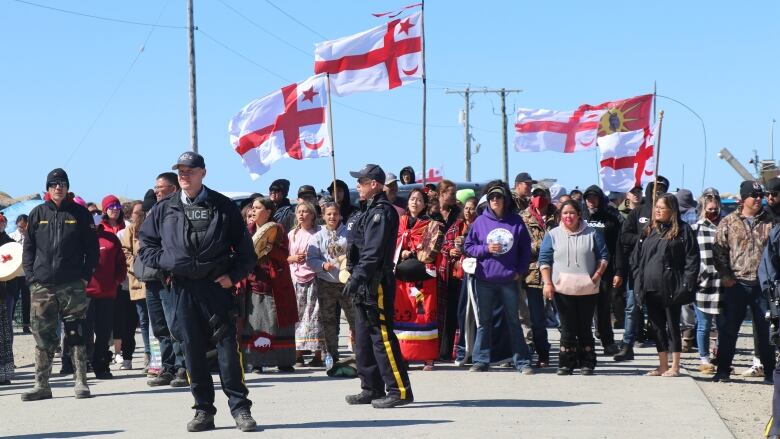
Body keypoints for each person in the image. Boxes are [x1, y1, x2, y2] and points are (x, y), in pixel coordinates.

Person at [139, 152, 257, 432]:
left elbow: (246, 252)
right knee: (191, 350)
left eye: (189, 170)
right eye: (180, 170)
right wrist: (169, 263)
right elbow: (146, 247)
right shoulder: (163, 208)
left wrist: (233, 276)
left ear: (202, 172)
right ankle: (204, 410)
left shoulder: (223, 206)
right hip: (181, 289)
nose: (183, 175)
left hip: (216, 287)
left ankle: (241, 409)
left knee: (227, 349)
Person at [22, 168, 99, 401]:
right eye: (54, 184)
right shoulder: (37, 214)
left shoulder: (80, 214)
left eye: (62, 183)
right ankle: (42, 385)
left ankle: (81, 382)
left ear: (67, 188)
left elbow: (92, 251)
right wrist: (31, 280)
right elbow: (28, 250)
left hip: (72, 285)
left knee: (76, 333)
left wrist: (84, 277)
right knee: (42, 337)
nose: (58, 187)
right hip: (42, 286)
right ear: (48, 188)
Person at [344, 163, 413, 408]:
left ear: (374, 184)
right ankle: (371, 387)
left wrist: (357, 278)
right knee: (363, 338)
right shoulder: (367, 210)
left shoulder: (381, 212)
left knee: (381, 337)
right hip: (364, 282)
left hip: (375, 282)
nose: (357, 186)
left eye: (361, 182)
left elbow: (372, 253)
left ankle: (399, 390)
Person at [464, 181, 534, 374]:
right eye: (491, 197)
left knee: (513, 321)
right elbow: (468, 247)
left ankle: (522, 362)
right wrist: (486, 249)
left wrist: (519, 271)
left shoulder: (516, 221)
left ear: (505, 200)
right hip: (485, 279)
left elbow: (525, 250)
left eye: (499, 197)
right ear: (487, 201)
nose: (495, 200)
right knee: (484, 322)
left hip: (509, 280)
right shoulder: (479, 222)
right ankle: (480, 360)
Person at [712, 180, 775, 383]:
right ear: (743, 198)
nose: (758, 199)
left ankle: (770, 372)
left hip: (762, 286)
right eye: (753, 196)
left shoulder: (771, 221)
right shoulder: (728, 221)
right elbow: (719, 251)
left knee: (765, 332)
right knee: (729, 330)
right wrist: (726, 276)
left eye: (760, 195)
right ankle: (723, 371)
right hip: (736, 284)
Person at [633, 193, 699, 377]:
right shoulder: (649, 230)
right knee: (657, 327)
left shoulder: (683, 231)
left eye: (662, 208)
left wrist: (686, 285)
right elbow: (637, 259)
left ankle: (675, 366)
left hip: (671, 287)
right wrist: (639, 283)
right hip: (650, 287)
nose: (658, 211)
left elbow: (692, 260)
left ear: (672, 210)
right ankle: (662, 365)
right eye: (656, 207)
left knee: (672, 325)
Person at [539, 200, 608, 375]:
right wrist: (547, 283)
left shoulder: (592, 233)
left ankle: (587, 362)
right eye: (565, 213)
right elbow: (545, 260)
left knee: (584, 325)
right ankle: (566, 363)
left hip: (587, 287)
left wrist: (596, 277)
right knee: (568, 325)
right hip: (561, 288)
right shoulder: (553, 234)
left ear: (579, 215)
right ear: (560, 215)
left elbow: (604, 257)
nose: (568, 216)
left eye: (572, 213)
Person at [240, 197, 298, 372]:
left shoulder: (277, 229)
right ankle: (257, 361)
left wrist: (267, 247)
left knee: (278, 322)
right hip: (254, 283)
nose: (253, 211)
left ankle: (284, 361)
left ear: (268, 212)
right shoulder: (246, 232)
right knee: (256, 323)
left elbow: (283, 254)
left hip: (276, 284)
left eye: (257, 208)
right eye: (252, 208)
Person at [145, 173, 188, 387]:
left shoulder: (176, 211)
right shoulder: (154, 211)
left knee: (175, 325)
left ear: (173, 189)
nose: (156, 191)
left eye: (160, 187)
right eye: (155, 186)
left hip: (168, 277)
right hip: (150, 277)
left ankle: (183, 367)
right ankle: (167, 366)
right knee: (159, 327)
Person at [393, 188, 442, 370]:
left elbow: (433, 249)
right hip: (402, 278)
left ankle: (428, 357)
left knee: (423, 313)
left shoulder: (430, 224)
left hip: (422, 278)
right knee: (403, 313)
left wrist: (416, 250)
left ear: (425, 204)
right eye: (412, 199)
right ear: (408, 202)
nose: (415, 202)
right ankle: (404, 355)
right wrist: (401, 250)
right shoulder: (399, 223)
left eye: (419, 199)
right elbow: (392, 242)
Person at [307, 202, 354, 363]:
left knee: (354, 319)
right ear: (323, 216)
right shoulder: (317, 237)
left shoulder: (348, 234)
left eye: (335, 214)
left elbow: (354, 254)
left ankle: (361, 354)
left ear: (340, 215)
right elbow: (311, 259)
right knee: (329, 321)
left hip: (346, 283)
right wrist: (321, 265)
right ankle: (332, 356)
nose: (332, 217)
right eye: (328, 214)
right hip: (326, 283)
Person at [581, 185, 623, 356]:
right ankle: (584, 343)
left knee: (603, 309)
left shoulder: (610, 219)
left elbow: (618, 248)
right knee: (582, 310)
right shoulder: (579, 218)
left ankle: (608, 342)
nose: (591, 201)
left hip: (604, 270)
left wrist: (619, 271)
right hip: (582, 270)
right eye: (588, 198)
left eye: (595, 197)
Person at [81, 219, 126, 380]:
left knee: (104, 332)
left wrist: (116, 281)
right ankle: (83, 364)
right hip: (85, 293)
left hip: (107, 293)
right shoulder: (78, 239)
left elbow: (121, 262)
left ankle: (101, 365)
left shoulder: (111, 238)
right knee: (85, 332)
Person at [520, 185, 556, 368]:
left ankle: (571, 353)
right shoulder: (523, 217)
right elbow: (523, 244)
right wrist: (546, 246)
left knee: (565, 319)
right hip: (533, 275)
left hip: (559, 272)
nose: (539, 198)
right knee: (537, 318)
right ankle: (542, 354)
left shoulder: (559, 215)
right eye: (536, 195)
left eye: (543, 195)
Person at [440, 197, 477, 362]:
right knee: (452, 315)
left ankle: (470, 352)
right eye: (467, 208)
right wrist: (450, 251)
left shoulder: (480, 226)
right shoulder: (456, 226)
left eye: (473, 208)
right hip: (455, 277)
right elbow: (444, 245)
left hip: (474, 276)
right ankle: (447, 352)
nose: (469, 211)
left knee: (470, 316)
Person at [288, 201, 325, 367]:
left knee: (316, 315)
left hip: (315, 277)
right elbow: (285, 257)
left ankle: (318, 354)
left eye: (305, 212)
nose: (302, 215)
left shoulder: (319, 232)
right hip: (296, 278)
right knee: (297, 315)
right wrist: (294, 258)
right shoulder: (292, 234)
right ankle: (297, 354)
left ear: (312, 215)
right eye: (299, 212)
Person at [692, 188, 724, 374]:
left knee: (722, 326)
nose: (712, 212)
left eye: (715, 209)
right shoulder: (695, 229)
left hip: (723, 283)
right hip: (703, 284)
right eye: (709, 209)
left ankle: (720, 356)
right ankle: (704, 359)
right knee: (703, 325)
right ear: (703, 208)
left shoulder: (726, 226)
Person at [121, 200, 153, 373]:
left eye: (142, 212)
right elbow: (125, 252)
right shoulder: (130, 230)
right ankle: (148, 354)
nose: (140, 215)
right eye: (137, 213)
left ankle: (158, 355)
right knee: (144, 320)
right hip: (138, 282)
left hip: (154, 281)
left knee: (157, 322)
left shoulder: (153, 227)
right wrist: (138, 267)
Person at [0, 213, 19, 385]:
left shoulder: (9, 243)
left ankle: (4, 372)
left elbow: (14, 266)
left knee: (4, 332)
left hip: (4, 293)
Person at [9, 215, 30, 334]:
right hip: (14, 273)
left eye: (24, 226)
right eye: (20, 226)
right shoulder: (12, 236)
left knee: (27, 300)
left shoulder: (31, 236)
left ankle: (26, 324)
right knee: (13, 298)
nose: (22, 229)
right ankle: (9, 322)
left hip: (27, 273)